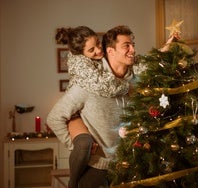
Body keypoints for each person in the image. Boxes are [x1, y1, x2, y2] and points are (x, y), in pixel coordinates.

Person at [47, 25, 136, 188]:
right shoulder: (87, 84)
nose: (98, 50)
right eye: (126, 46)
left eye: (98, 44)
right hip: (99, 166)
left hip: (131, 163)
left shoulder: (134, 80)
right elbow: (54, 118)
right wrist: (75, 145)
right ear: (111, 50)